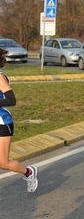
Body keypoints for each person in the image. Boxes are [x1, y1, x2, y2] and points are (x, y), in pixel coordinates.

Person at [0, 48, 38, 192]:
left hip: (2, 123)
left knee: (3, 164)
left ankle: (29, 173)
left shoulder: (0, 77)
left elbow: (11, 100)